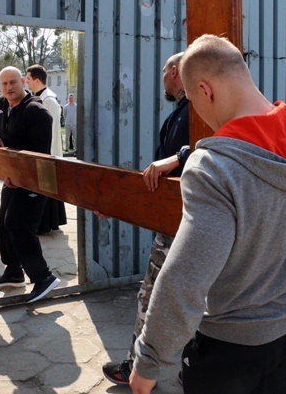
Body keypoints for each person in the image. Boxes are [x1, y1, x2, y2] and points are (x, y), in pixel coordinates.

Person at [128, 35, 286, 394]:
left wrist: (149, 360)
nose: (197, 111)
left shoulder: (214, 166)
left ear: (205, 90)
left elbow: (186, 275)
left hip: (232, 346)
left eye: (193, 101)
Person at [102, 52, 190, 386]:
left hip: (181, 226)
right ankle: (190, 368)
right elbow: (151, 182)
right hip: (175, 224)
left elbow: (214, 146)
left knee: (152, 298)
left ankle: (136, 368)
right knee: (190, 300)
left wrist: (177, 157)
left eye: (165, 74)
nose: (163, 83)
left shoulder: (196, 111)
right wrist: (114, 203)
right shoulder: (179, 115)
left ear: (173, 71)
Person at [0, 66, 60, 304]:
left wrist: (17, 175)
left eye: (13, 82)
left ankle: (43, 277)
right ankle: (14, 272)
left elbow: (39, 155)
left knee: (18, 225)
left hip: (34, 182)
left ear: (24, 82)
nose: (9, 87)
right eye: (4, 84)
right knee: (4, 226)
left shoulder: (37, 111)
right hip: (10, 179)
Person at [25, 64, 67, 235]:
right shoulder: (43, 97)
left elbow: (46, 131)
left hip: (47, 151)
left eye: (27, 79)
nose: (26, 82)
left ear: (36, 80)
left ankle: (46, 223)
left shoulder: (47, 100)